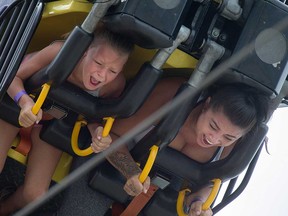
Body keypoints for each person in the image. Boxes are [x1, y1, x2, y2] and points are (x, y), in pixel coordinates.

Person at [0, 24, 134, 215]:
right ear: (85, 51)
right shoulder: (61, 52)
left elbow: (95, 117)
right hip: (14, 106)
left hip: (52, 121)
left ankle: (4, 207)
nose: (101, 75)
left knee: (36, 195)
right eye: (98, 63)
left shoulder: (114, 86)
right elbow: (12, 76)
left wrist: (97, 132)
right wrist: (24, 102)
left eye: (113, 71)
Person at [91, 77, 269, 216]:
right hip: (115, 167)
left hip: (169, 196)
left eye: (228, 137)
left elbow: (209, 182)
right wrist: (130, 171)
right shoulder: (172, 96)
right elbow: (112, 136)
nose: (213, 139)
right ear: (206, 105)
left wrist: (198, 203)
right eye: (213, 126)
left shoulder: (233, 145)